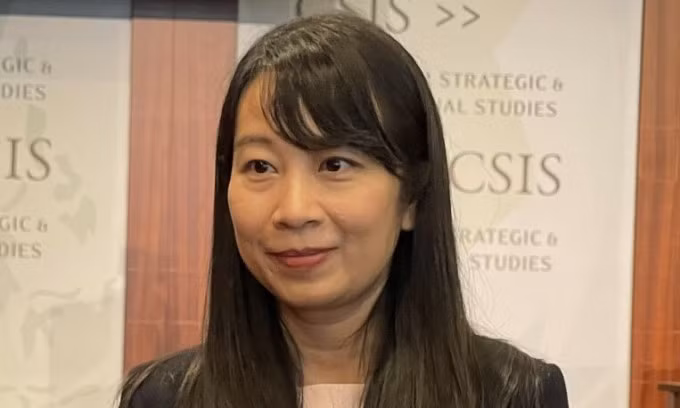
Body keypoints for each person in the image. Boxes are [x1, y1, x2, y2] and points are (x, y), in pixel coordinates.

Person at [118, 12, 569, 408]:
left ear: (412, 196)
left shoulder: (512, 395)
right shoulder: (164, 399)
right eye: (260, 166)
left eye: (335, 164)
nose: (294, 210)